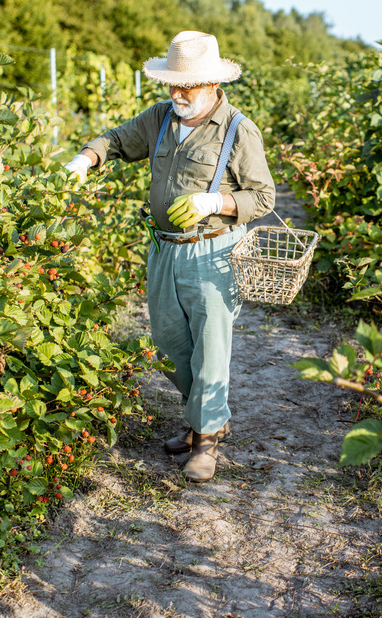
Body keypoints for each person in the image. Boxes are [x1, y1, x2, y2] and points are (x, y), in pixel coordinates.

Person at [64, 31, 275, 483]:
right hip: (163, 248)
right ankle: (207, 417)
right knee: (170, 344)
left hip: (213, 252)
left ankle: (206, 442)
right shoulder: (161, 117)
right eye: (172, 85)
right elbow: (117, 140)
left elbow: (264, 196)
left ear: (213, 84)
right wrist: (86, 158)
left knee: (210, 348)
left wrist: (214, 202)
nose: (177, 94)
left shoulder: (238, 129)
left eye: (187, 86)